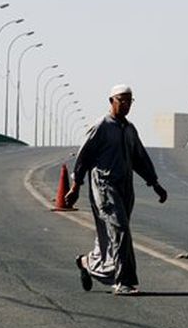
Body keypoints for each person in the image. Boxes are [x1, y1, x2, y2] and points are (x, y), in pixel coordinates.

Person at [65, 84, 168, 295]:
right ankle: (125, 282)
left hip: (125, 187)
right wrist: (75, 186)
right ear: (111, 101)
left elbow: (140, 159)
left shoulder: (129, 129)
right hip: (105, 186)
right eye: (122, 100)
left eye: (130, 101)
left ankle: (88, 263)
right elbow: (83, 157)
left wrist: (155, 184)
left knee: (112, 235)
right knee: (120, 230)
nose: (126, 104)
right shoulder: (101, 126)